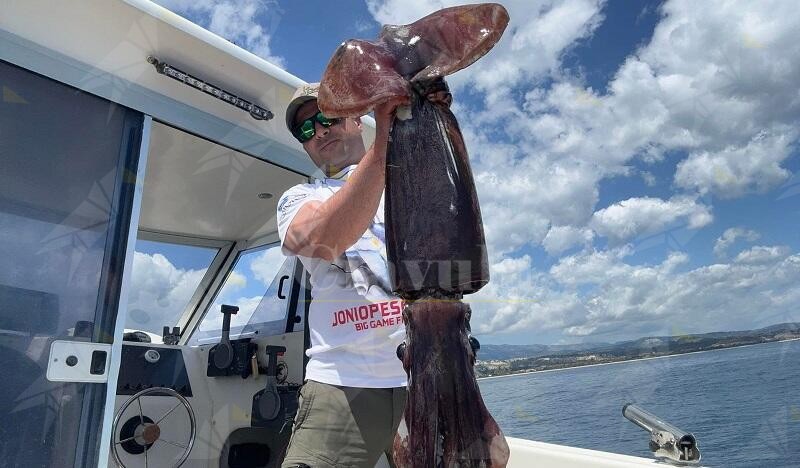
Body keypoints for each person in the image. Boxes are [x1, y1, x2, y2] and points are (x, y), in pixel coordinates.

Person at [276, 83, 409, 468]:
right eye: (306, 130)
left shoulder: (409, 182)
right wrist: (385, 144)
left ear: (356, 120)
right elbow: (323, 238)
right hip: (341, 385)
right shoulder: (299, 198)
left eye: (328, 118)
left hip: (426, 374)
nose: (318, 131)